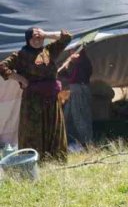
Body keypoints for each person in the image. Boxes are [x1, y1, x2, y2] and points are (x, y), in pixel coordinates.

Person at [0, 28, 72, 161]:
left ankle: (55, 160)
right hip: (33, 100)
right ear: (28, 39)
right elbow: (2, 67)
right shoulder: (21, 54)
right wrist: (20, 79)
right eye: (34, 37)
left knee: (53, 128)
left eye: (40, 37)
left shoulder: (49, 50)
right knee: (33, 131)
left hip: (51, 99)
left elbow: (67, 37)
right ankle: (33, 160)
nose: (38, 39)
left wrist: (46, 34)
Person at [58, 46, 94, 147]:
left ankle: (86, 142)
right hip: (74, 91)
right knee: (70, 116)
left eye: (73, 50)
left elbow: (75, 78)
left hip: (79, 91)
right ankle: (71, 140)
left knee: (80, 116)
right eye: (70, 50)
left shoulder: (82, 63)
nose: (71, 52)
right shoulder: (74, 63)